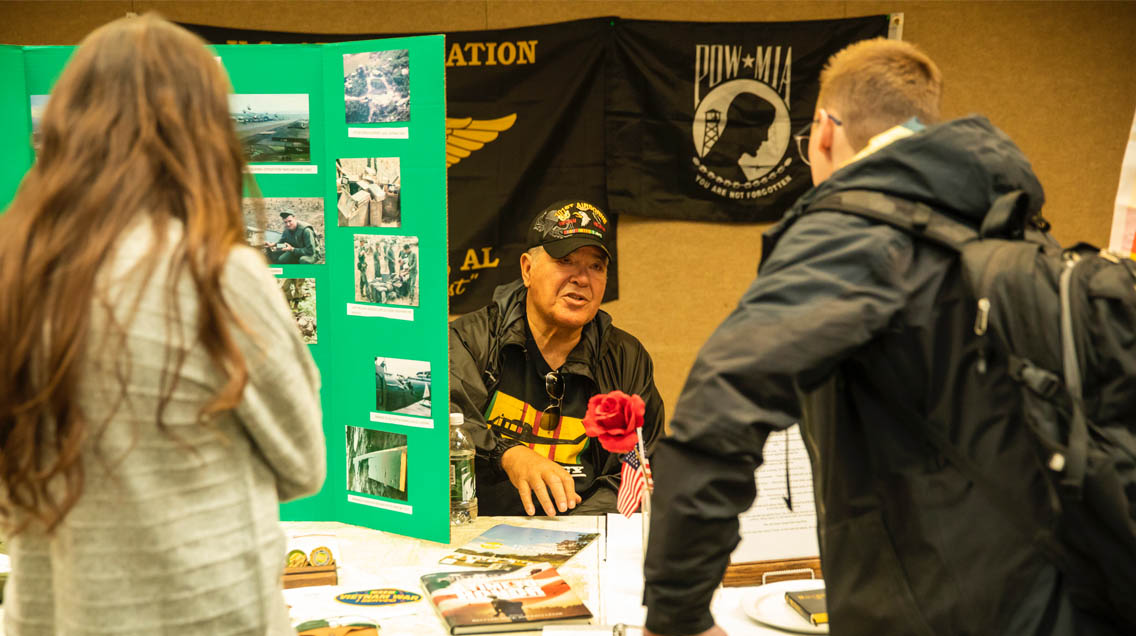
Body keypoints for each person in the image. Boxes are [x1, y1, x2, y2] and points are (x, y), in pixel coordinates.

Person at [643, 38, 1121, 636]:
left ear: (822, 131)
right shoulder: (1008, 234)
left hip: (930, 611)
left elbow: (718, 412)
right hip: (1055, 598)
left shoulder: (854, 233)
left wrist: (675, 615)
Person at [0, 15, 324, 636]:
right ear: (198, 132)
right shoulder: (216, 276)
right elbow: (304, 466)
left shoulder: (4, 272)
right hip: (211, 616)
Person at [450, 199, 664, 517]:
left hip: (585, 534)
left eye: (596, 266)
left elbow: (635, 469)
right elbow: (442, 423)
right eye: (565, 260)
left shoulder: (625, 357)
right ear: (527, 269)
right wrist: (507, 454)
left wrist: (571, 535)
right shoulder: (471, 339)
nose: (582, 278)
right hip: (479, 530)